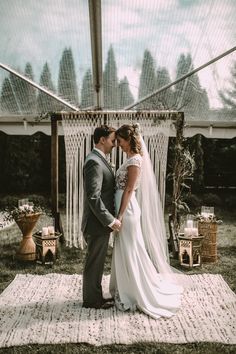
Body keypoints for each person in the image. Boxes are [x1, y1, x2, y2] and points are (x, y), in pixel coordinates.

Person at [109, 123, 183, 319]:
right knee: (125, 249)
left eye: (120, 141)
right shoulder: (130, 158)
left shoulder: (135, 161)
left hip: (128, 210)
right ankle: (124, 288)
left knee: (131, 250)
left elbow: (129, 190)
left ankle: (135, 292)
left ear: (129, 140)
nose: (118, 144)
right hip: (123, 207)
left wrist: (120, 216)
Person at [82, 125, 121, 309]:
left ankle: (95, 295)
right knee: (94, 261)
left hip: (99, 223)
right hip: (96, 222)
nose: (115, 144)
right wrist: (110, 220)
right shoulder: (94, 162)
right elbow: (93, 197)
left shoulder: (99, 159)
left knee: (97, 261)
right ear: (102, 139)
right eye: (112, 140)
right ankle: (92, 300)